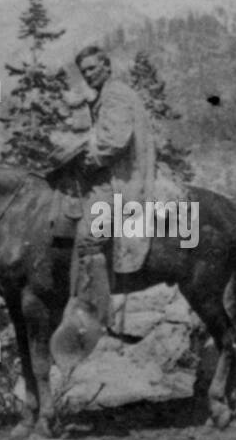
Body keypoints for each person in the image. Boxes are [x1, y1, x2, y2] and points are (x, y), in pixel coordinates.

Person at [48, 45, 156, 330]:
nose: (89, 75)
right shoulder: (105, 95)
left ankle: (97, 315)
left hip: (122, 176)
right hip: (112, 170)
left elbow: (115, 141)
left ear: (107, 67)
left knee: (88, 237)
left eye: (93, 69)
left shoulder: (116, 94)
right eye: (84, 72)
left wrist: (87, 159)